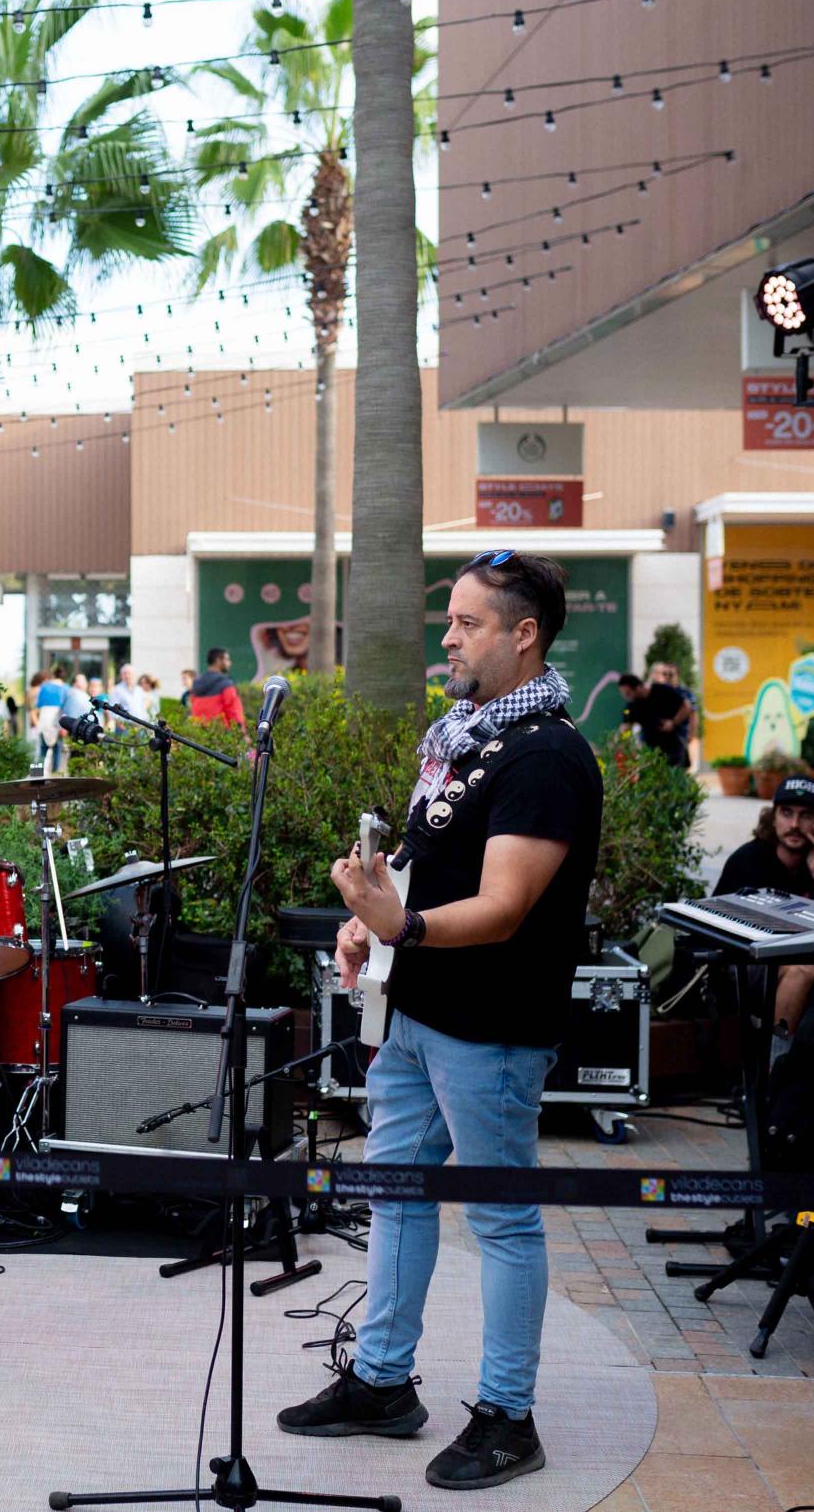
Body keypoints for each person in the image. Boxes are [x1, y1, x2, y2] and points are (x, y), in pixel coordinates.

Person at [288, 551, 602, 1493]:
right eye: (450, 619)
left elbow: (503, 907)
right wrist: (367, 923)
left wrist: (402, 926)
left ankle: (508, 1416)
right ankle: (382, 1382)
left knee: (501, 1219)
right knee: (395, 1194)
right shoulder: (465, 736)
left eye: (469, 623)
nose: (449, 638)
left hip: (491, 1025)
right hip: (417, 1010)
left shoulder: (546, 756)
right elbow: (424, 867)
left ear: (524, 634)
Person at [715, 775, 814, 1037]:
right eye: (786, 813)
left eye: (805, 816)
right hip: (741, 963)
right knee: (803, 969)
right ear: (773, 817)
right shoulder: (749, 859)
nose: (794, 825)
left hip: (794, 957)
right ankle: (774, 1056)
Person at [618, 666, 694, 765]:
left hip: (673, 744)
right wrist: (622, 745)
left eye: (628, 693)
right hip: (651, 748)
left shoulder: (661, 690)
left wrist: (673, 723)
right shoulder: (631, 706)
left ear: (638, 687)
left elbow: (686, 706)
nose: (627, 697)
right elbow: (625, 728)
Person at [188, 646, 246, 727]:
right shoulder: (226, 684)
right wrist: (241, 730)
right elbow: (233, 711)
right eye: (227, 659)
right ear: (218, 660)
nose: (230, 663)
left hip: (198, 731)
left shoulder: (196, 683)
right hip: (220, 731)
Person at [31, 667, 68, 769]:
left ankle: (36, 776)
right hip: (58, 723)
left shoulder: (44, 687)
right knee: (57, 753)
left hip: (44, 722)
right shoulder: (66, 688)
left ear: (53, 675)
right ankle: (55, 775)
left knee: (41, 752)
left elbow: (38, 706)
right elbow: (66, 709)